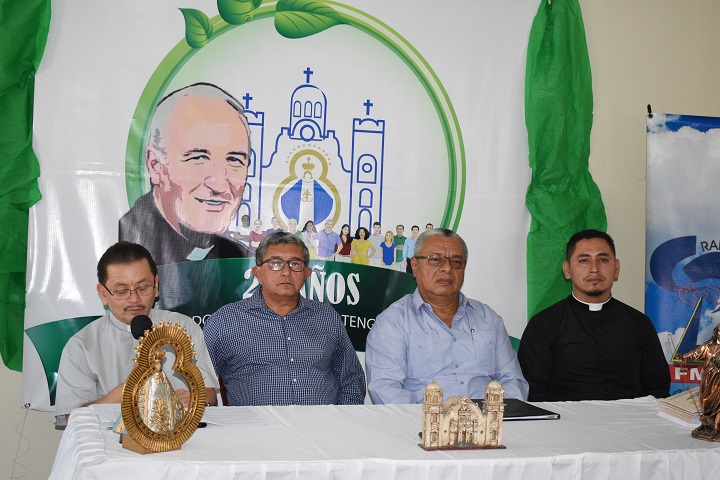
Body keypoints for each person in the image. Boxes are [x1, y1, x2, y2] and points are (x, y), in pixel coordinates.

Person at [55, 241, 218, 421]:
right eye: (122, 291)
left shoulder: (183, 328)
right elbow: (73, 418)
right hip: (110, 442)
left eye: (142, 288)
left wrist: (195, 401)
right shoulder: (81, 346)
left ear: (156, 285)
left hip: (183, 437)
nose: (134, 299)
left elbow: (210, 395)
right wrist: (132, 389)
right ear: (103, 294)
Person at [365, 228, 528, 404]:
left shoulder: (489, 319)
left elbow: (513, 382)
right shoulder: (392, 323)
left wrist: (486, 421)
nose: (447, 268)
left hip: (485, 426)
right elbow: (387, 391)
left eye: (456, 262)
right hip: (421, 427)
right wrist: (438, 423)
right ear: (414, 265)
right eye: (436, 260)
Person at [203, 233, 366, 405]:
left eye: (295, 264)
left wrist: (341, 421)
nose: (286, 272)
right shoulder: (224, 321)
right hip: (254, 430)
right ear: (257, 273)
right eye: (275, 263)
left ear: (307, 274)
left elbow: (351, 379)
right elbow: (199, 381)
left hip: (321, 427)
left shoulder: (327, 317)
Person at [518, 229, 670, 401]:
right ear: (567, 270)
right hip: (566, 423)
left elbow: (657, 388)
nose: (594, 269)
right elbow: (532, 391)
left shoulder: (640, 324)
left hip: (627, 422)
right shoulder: (543, 324)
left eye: (603, 260)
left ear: (617, 268)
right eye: (584, 260)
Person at [119, 82, 253, 265]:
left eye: (234, 160)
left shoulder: (244, 263)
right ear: (156, 166)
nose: (219, 184)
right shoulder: (121, 246)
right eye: (199, 158)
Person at [681, 324, 720, 436]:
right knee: (706, 402)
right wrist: (683, 358)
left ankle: (717, 428)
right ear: (716, 332)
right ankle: (707, 425)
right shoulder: (708, 346)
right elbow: (695, 354)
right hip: (709, 379)